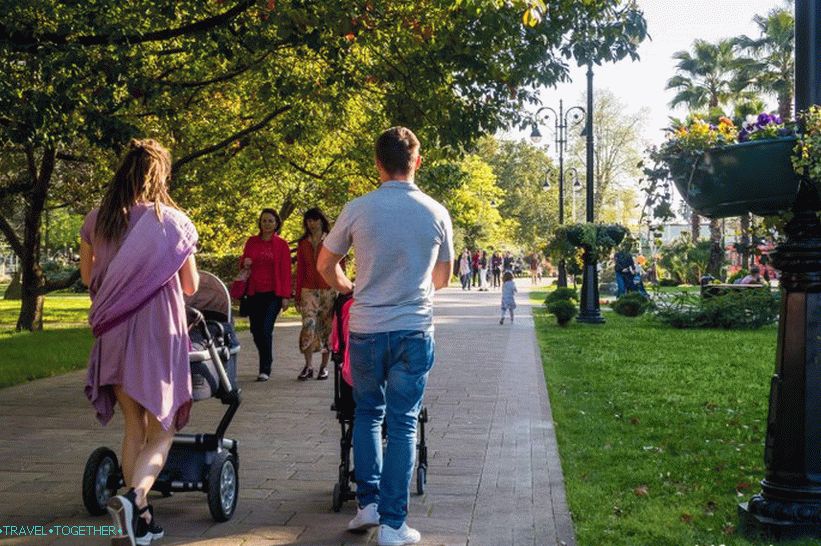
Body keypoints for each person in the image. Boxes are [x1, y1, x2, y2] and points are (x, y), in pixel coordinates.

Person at [317, 126, 453, 546]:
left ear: (377, 163)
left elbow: (326, 264)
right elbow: (444, 277)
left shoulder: (358, 209)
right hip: (413, 329)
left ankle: (368, 505)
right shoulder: (435, 212)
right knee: (403, 423)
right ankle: (394, 525)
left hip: (366, 329)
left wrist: (350, 288)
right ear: (418, 161)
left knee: (366, 414)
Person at [80, 139, 200, 546]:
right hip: (156, 331)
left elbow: (88, 278)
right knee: (163, 427)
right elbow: (191, 285)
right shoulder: (173, 223)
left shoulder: (97, 220)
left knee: (134, 425)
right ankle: (135, 499)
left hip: (113, 331)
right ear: (159, 175)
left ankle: (137, 519)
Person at [239, 208, 292, 382]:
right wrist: (244, 262)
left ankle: (265, 367)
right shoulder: (252, 242)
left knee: (265, 329)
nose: (267, 224)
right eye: (264, 221)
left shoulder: (282, 245)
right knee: (255, 330)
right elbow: (244, 263)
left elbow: (285, 271)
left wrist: (285, 296)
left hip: (273, 294)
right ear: (260, 223)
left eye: (270, 221)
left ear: (276, 223)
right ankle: (265, 356)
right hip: (254, 292)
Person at [295, 207, 335, 381]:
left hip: (328, 289)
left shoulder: (332, 241)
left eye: (315, 220)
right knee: (308, 325)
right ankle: (308, 365)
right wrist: (297, 294)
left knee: (326, 328)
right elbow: (300, 270)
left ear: (321, 220)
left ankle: (324, 367)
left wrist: (340, 289)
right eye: (309, 220)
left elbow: (339, 266)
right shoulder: (303, 243)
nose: (311, 223)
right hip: (308, 290)